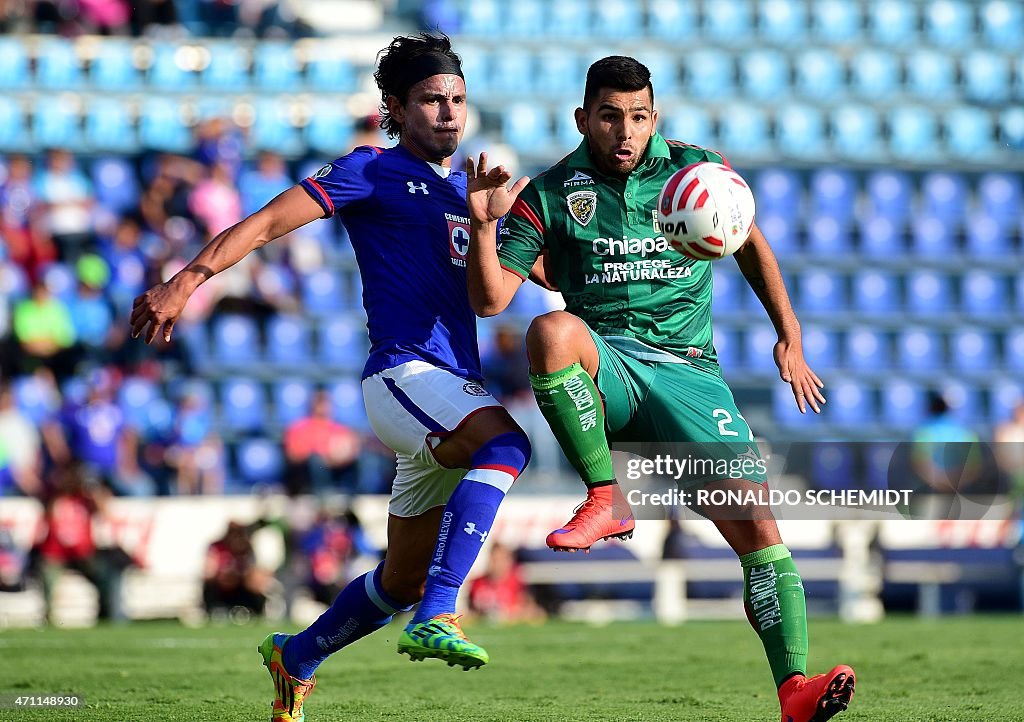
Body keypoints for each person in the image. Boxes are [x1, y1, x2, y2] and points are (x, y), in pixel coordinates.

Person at [129, 32, 532, 722]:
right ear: (396, 108)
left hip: (448, 389)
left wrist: (493, 223)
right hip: (405, 373)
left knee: (398, 578)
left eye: (458, 100)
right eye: (432, 100)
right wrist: (186, 281)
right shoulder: (369, 169)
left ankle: (298, 656)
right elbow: (262, 226)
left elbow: (499, 296)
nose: (448, 114)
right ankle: (441, 612)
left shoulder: (469, 190)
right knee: (507, 446)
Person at [465, 56, 854, 722]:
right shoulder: (554, 193)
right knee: (552, 332)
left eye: (639, 117)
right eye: (611, 116)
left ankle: (794, 689)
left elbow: (750, 242)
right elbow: (491, 297)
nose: (625, 132)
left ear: (655, 117)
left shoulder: (696, 170)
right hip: (608, 367)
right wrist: (481, 224)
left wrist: (789, 334)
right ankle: (603, 496)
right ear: (583, 118)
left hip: (689, 375)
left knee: (761, 535)